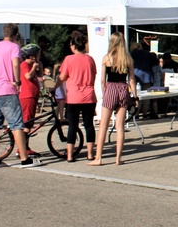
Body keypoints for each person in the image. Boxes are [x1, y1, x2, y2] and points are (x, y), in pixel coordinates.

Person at [0, 23, 40, 168]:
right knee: (17, 125)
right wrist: (17, 81)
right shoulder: (13, 47)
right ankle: (24, 158)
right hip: (7, 89)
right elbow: (16, 64)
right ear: (15, 34)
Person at [89, 32, 137, 166]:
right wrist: (134, 95)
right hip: (123, 88)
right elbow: (132, 79)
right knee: (120, 126)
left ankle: (98, 158)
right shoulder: (127, 59)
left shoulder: (107, 58)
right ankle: (118, 158)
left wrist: (105, 93)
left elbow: (103, 80)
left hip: (110, 88)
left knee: (104, 125)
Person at [58, 33, 96, 162]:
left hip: (74, 97)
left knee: (73, 126)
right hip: (89, 96)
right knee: (89, 125)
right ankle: (90, 154)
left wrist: (55, 86)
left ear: (73, 45)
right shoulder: (90, 59)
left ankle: (69, 155)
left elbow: (62, 77)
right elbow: (93, 77)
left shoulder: (68, 59)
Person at [18, 43, 43, 157]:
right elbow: (28, 76)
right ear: (31, 56)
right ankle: (23, 148)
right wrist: (33, 68)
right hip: (27, 96)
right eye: (38, 54)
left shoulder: (34, 64)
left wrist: (39, 66)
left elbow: (40, 76)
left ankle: (25, 146)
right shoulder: (24, 65)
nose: (39, 56)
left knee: (30, 121)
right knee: (27, 123)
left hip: (33, 95)